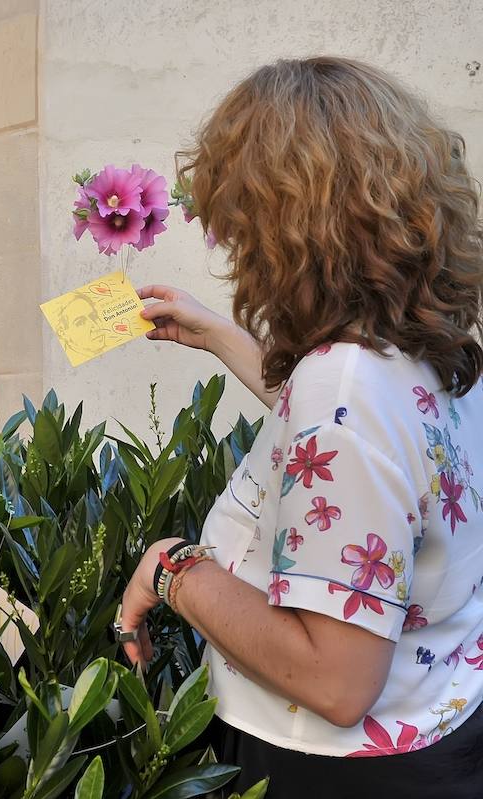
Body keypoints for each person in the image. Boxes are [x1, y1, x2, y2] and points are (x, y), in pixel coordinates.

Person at [117, 56, 483, 795]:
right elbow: (357, 444)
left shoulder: (343, 387)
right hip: (438, 726)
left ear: (288, 229)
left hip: (332, 766)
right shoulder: (428, 347)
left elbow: (335, 679)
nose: (234, 248)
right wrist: (219, 335)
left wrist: (174, 568)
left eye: (242, 225)